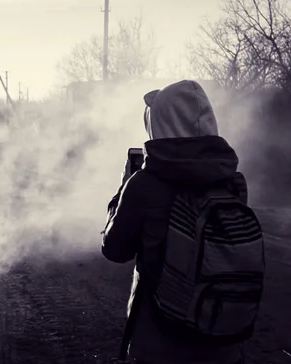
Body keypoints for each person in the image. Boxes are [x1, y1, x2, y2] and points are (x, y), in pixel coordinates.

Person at [101, 80, 247, 364]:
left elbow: (114, 250)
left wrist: (123, 188)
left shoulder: (144, 184)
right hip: (223, 344)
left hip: (159, 346)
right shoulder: (234, 182)